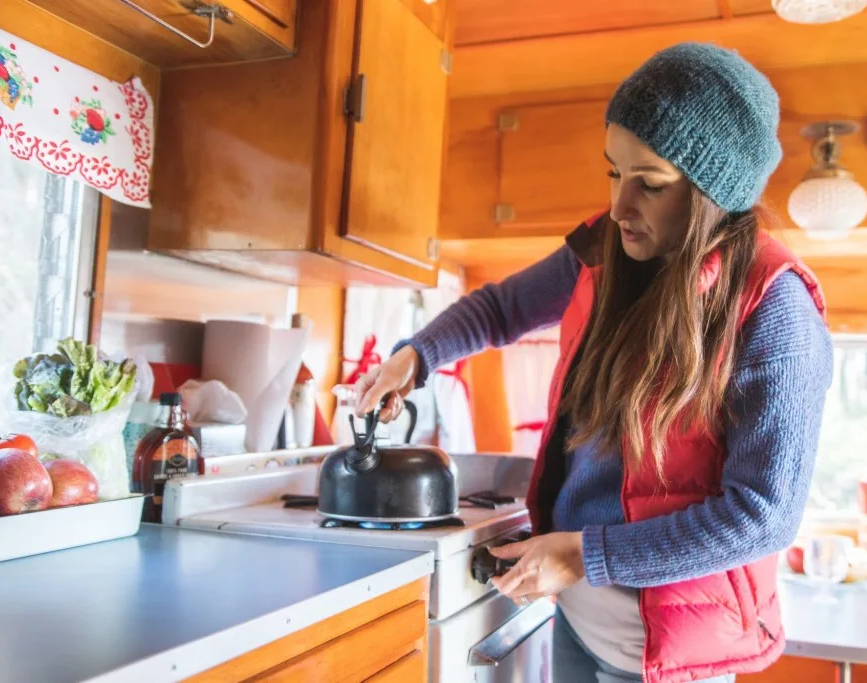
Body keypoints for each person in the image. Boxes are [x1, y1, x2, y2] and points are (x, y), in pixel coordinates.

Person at [355, 42, 833, 683]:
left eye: (651, 184)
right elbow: (501, 309)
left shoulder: (775, 305)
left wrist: (586, 556)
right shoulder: (606, 249)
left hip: (666, 647)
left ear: (714, 195)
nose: (618, 206)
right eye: (614, 172)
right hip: (579, 614)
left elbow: (762, 516)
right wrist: (416, 356)